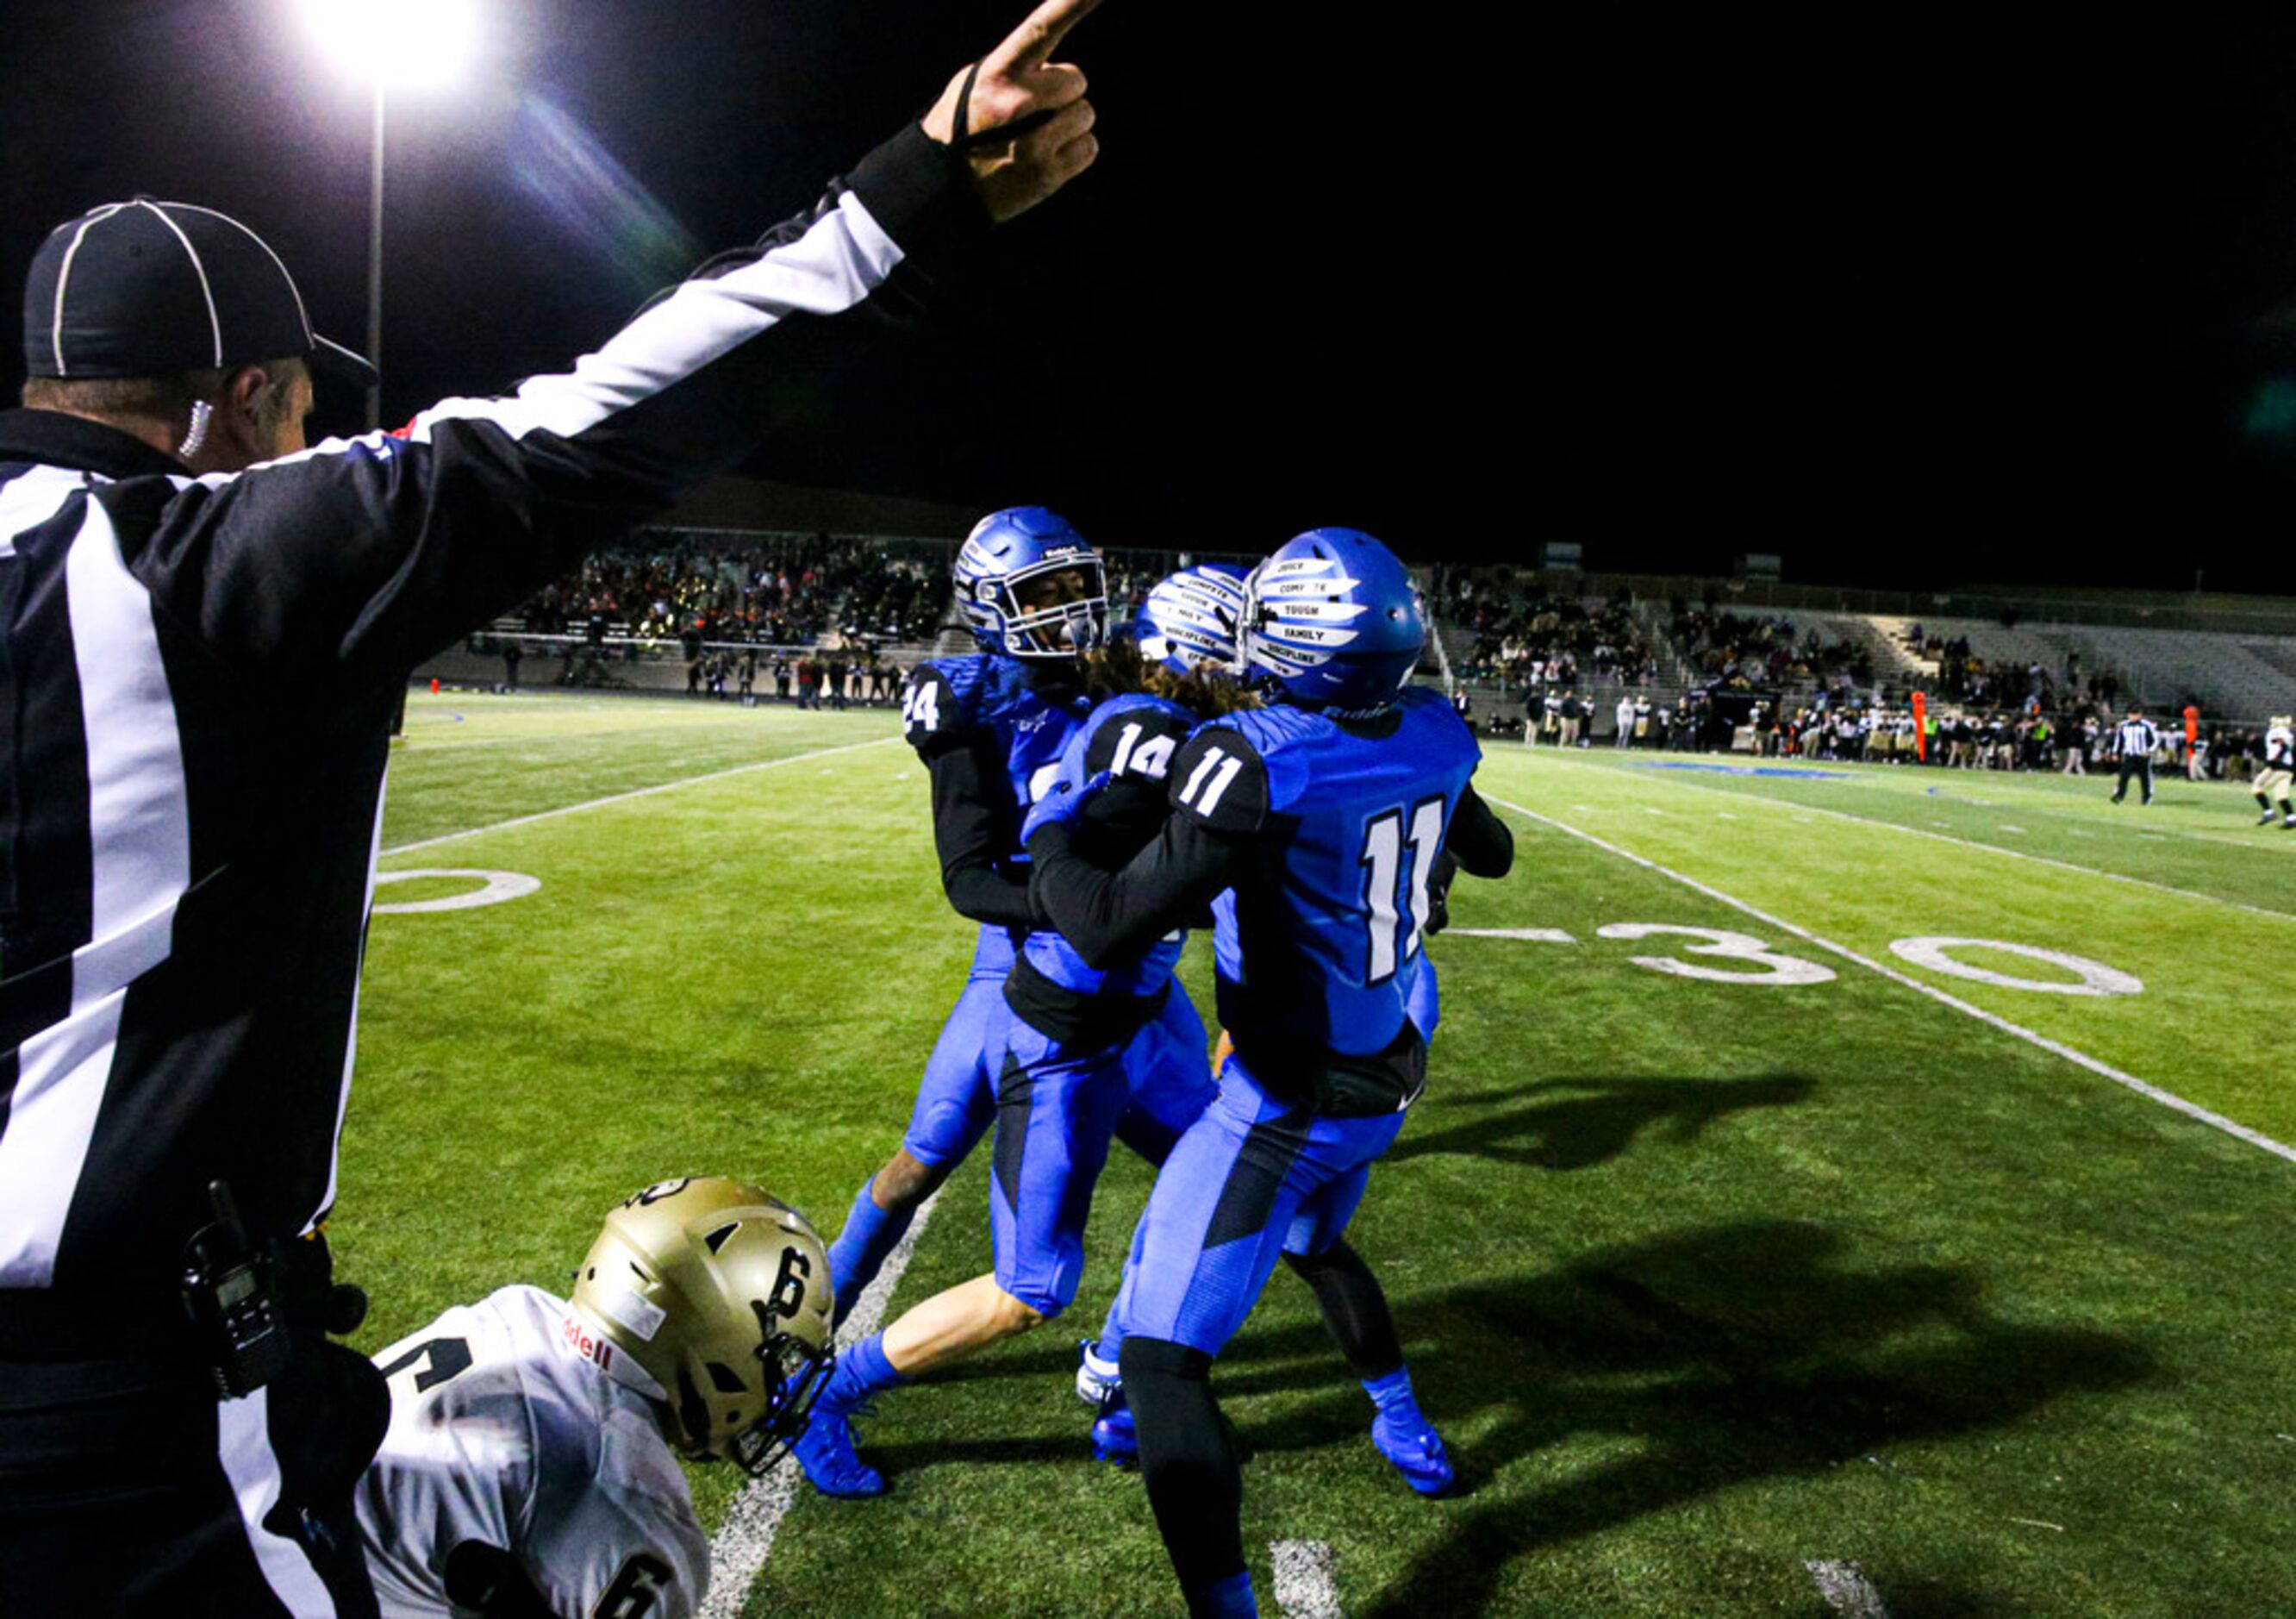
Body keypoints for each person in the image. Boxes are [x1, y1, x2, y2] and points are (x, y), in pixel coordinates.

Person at [0, 3, 1104, 1610]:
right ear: (243, 401)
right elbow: (594, 428)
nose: (309, 444)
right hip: (110, 1417)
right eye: (302, 412)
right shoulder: (202, 568)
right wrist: (915, 188)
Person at [1026, 529, 1515, 1619]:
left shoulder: (1261, 755)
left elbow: (1105, 926)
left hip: (1289, 1099)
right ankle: (1398, 1413)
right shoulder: (1439, 730)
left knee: (1162, 1367)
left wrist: (1054, 818)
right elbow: (1491, 855)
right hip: (1390, 1069)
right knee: (1312, 1239)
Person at [795, 566, 1251, 1497]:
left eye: (1078, 586)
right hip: (1041, 976)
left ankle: (1122, 1365)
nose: (1069, 609)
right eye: (1044, 594)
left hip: (1134, 985)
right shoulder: (988, 695)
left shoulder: (1122, 693)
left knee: (1214, 1177)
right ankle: (812, 1366)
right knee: (930, 1171)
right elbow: (981, 881)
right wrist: (1092, 904)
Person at [355, 1178, 833, 1618]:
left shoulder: (515, 1308)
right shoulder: (626, 1495)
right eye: (781, 1360)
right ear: (719, 1343)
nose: (779, 1384)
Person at [2111, 703, 2159, 805]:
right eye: (2131, 715)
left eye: (2135, 715)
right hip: (2129, 755)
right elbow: (2118, 740)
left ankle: (2147, 797)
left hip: (2142, 755)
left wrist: (2150, 751)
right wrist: (2115, 752)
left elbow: (2155, 740)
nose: (2133, 717)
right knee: (2124, 777)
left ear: (2140, 715)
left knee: (2144, 778)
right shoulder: (2123, 725)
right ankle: (2119, 796)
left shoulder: (2146, 725)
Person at [2255, 714, 2294, 828]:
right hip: (2288, 769)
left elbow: (2281, 746)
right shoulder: (2289, 734)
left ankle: (2269, 813)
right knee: (2281, 796)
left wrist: (2274, 760)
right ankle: (2291, 818)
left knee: (2257, 786)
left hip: (2276, 767)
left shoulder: (2275, 733)